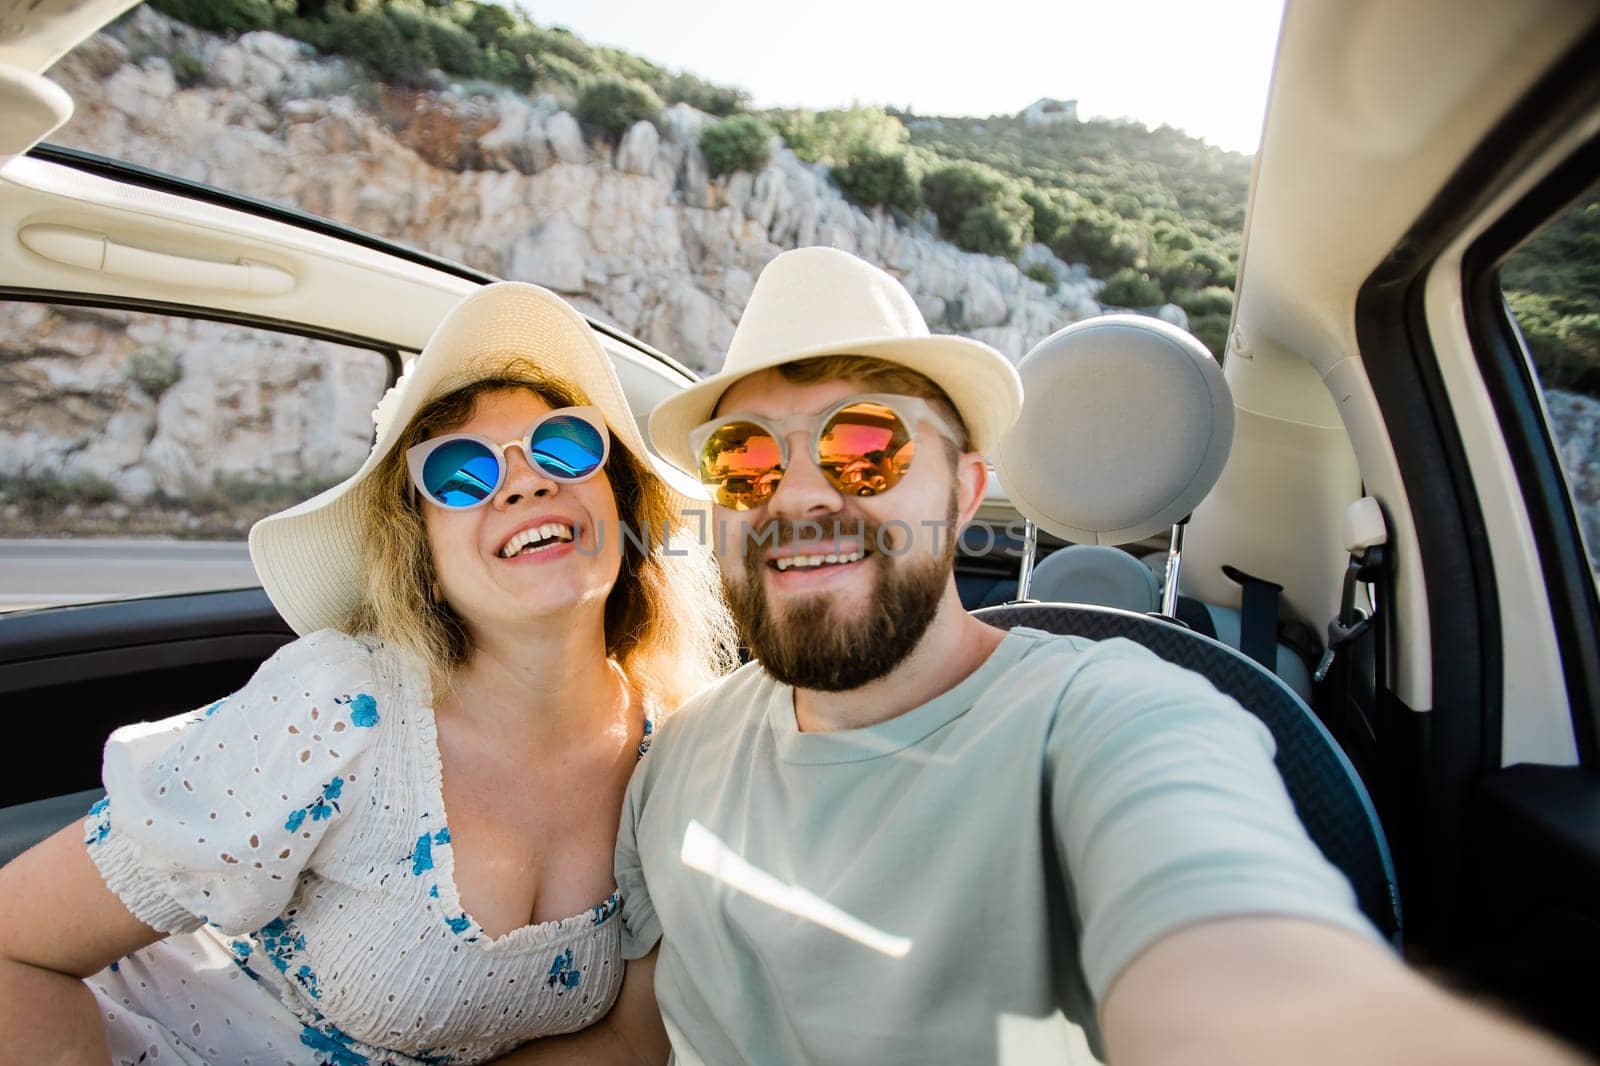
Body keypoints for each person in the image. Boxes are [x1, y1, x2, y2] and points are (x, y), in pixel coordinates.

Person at [507, 247, 1591, 1065]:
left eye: (865, 444)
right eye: (742, 460)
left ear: (965, 492)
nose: (797, 494)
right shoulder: (679, 750)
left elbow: (1251, 979)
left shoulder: (1116, 721)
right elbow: (638, 1036)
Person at [0, 282, 736, 1065]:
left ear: (618, 503)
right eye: (460, 473)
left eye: (564, 445)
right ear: (422, 557)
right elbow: (16, 949)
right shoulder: (338, 710)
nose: (525, 481)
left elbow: (628, 1041)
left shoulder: (677, 754)